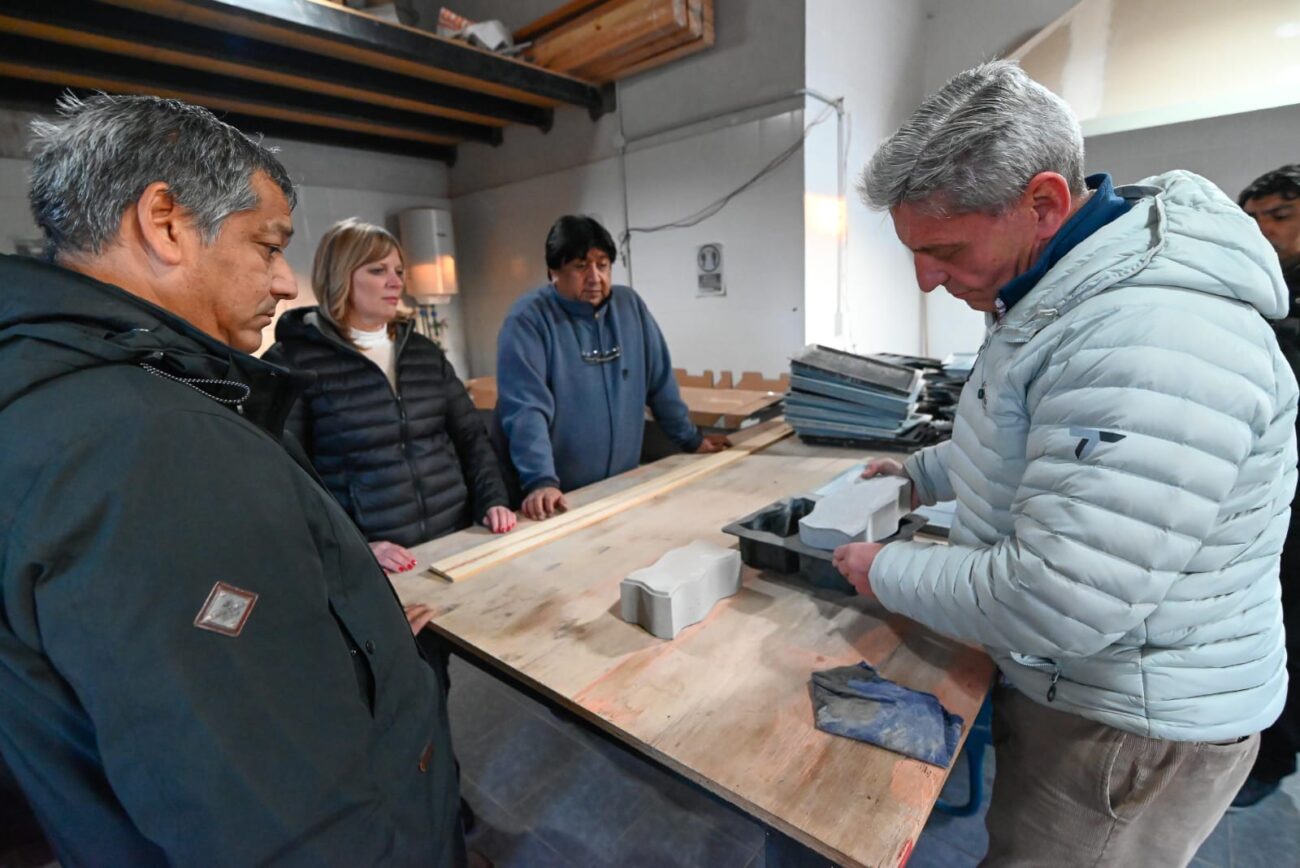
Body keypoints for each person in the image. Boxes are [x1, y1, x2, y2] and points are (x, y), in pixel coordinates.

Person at [833, 61, 1296, 867]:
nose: (926, 278)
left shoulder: (1148, 332)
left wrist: (886, 570)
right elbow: (1030, 429)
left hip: (1129, 725)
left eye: (943, 250)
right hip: (1088, 687)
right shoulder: (1062, 292)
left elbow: (1061, 595)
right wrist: (922, 473)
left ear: (1043, 203)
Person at [0, 94, 462, 865]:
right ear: (166, 223)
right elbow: (279, 817)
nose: (283, 281)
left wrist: (363, 637)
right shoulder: (143, 444)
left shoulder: (82, 392)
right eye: (267, 245)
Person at [265, 218, 515, 577]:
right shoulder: (293, 362)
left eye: (398, 270)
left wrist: (493, 501)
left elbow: (472, 438)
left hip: (455, 543)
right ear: (340, 275)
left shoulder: (424, 353)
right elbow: (287, 479)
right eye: (378, 270)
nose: (396, 282)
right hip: (373, 565)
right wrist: (354, 546)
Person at [493, 215, 731, 521]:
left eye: (602, 265)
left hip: (618, 488)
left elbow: (660, 384)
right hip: (557, 499)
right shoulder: (528, 320)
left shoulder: (630, 307)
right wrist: (540, 481)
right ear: (554, 270)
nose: (595, 277)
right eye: (581, 266)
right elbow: (527, 410)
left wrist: (692, 440)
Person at [1231, 164, 1300, 808]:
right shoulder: (1259, 290)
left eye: (1278, 217)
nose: (1263, 231)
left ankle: (1272, 761)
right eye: (1252, 219)